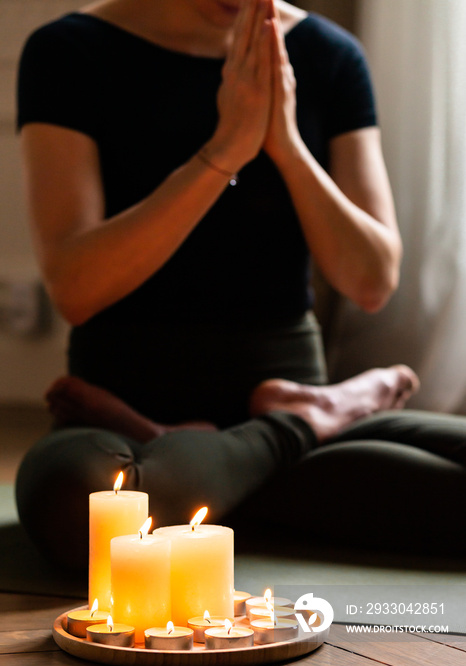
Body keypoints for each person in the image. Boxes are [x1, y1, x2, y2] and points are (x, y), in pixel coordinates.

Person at [15, 0, 466, 569]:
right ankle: (298, 426)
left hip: (285, 389)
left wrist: (285, 144)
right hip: (119, 422)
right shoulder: (70, 49)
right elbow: (75, 290)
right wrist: (226, 149)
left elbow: (372, 281)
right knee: (80, 510)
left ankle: (248, 455)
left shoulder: (328, 55)